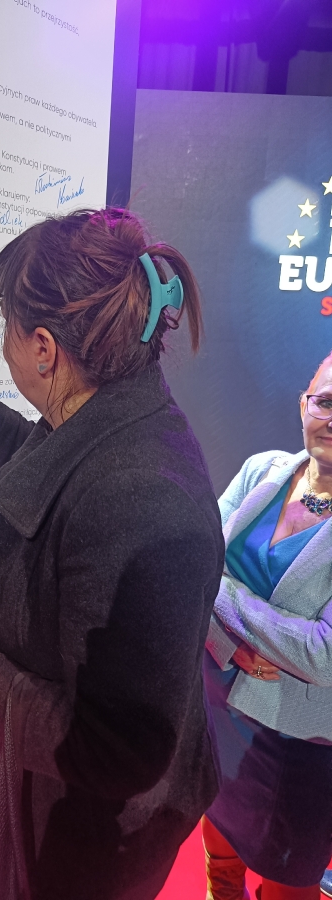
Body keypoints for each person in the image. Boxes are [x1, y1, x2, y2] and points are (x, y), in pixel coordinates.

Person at [0, 209, 224, 900]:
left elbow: (114, 750)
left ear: (44, 349)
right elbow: (51, 467)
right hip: (69, 808)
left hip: (87, 841)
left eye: (7, 327)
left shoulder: (139, 500)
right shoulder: (117, 416)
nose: (3, 344)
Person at [203, 353, 332, 900]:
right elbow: (195, 562)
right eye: (326, 401)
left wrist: (227, 598)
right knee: (218, 832)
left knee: (288, 881)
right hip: (216, 702)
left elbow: (323, 655)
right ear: (303, 405)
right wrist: (227, 643)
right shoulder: (262, 470)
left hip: (299, 743)